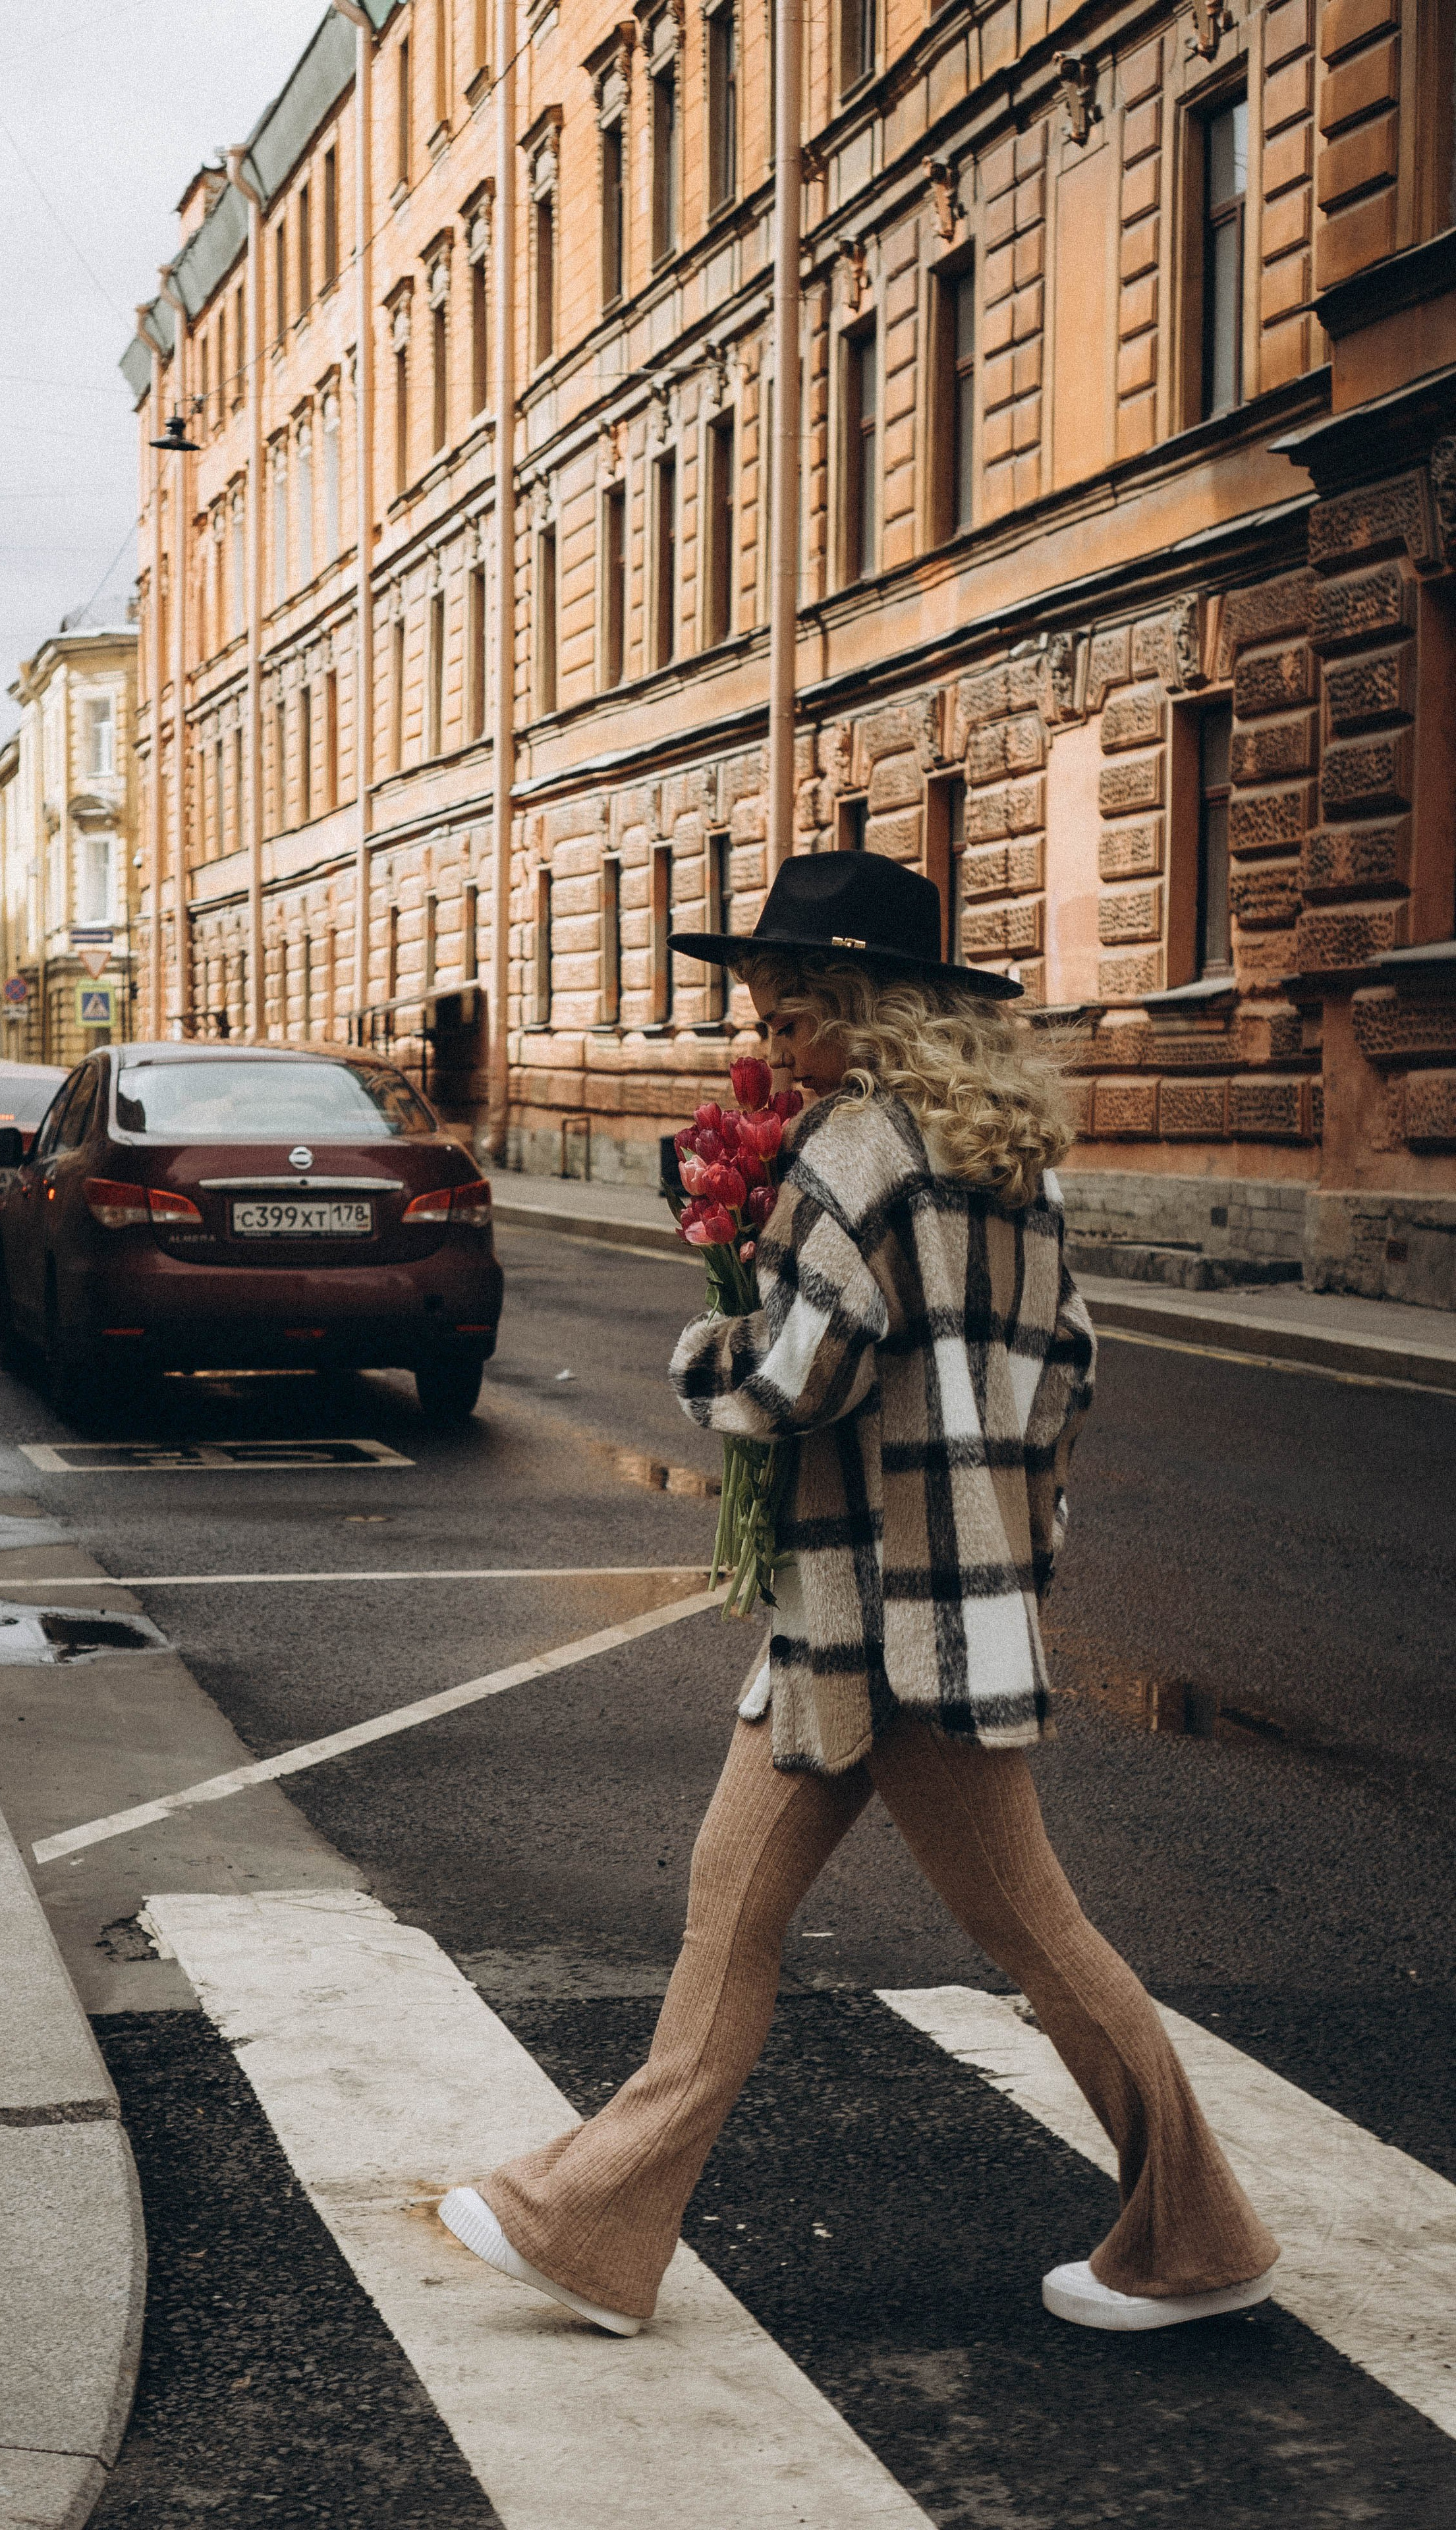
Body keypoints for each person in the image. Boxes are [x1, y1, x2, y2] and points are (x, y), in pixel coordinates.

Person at [441, 851, 1277, 2338]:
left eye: (783, 1009)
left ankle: (1197, 2237)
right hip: (940, 1601)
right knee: (735, 1908)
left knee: (1026, 1933)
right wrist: (1011, 1529)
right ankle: (587, 2225)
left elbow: (794, 1377)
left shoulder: (853, 1153)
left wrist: (704, 1350)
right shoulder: (1011, 1168)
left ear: (857, 1013)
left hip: (878, 1611)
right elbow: (1069, 1369)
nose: (760, 1034)